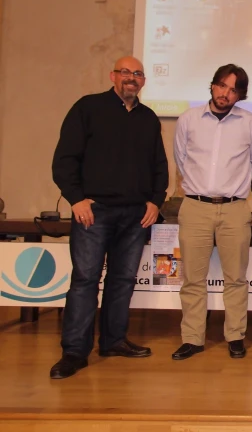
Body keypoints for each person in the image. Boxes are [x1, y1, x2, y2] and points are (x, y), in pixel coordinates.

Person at [50, 56, 169, 379]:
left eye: (138, 74)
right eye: (126, 72)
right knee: (85, 281)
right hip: (94, 212)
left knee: (122, 281)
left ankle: (114, 340)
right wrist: (76, 199)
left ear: (144, 81)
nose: (132, 78)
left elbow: (159, 166)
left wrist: (155, 202)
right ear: (113, 76)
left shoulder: (148, 118)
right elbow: (64, 160)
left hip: (135, 215)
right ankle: (75, 352)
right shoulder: (88, 108)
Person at [171, 64, 252, 361]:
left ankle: (235, 336)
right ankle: (193, 338)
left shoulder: (250, 123)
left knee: (236, 278)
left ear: (240, 95)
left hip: (235, 208)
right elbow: (181, 161)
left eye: (233, 89)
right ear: (212, 86)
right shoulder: (188, 119)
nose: (226, 93)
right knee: (193, 279)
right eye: (222, 86)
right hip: (195, 207)